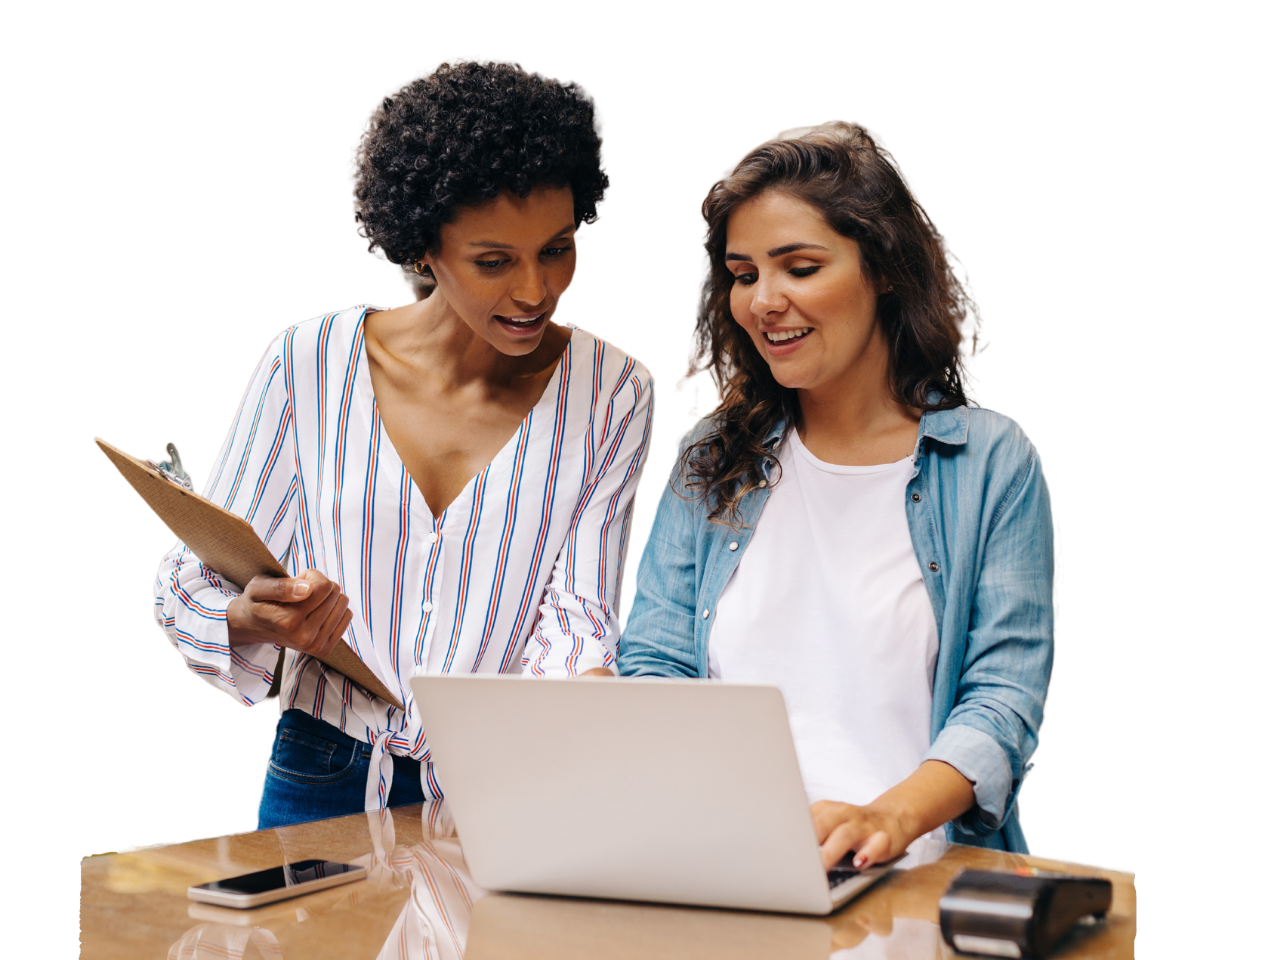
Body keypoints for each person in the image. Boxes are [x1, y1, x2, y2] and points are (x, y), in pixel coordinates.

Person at [151, 57, 655, 828]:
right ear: (424, 248)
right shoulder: (308, 362)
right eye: (493, 261)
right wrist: (259, 617)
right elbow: (199, 574)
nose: (534, 290)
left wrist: (589, 703)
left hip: (508, 784)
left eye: (558, 249)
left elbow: (579, 613)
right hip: (321, 769)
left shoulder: (615, 388)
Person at [618, 120, 1057, 869]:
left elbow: (1003, 699)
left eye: (800, 266)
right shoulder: (709, 455)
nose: (763, 300)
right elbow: (655, 663)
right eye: (745, 273)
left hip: (911, 875)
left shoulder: (991, 461)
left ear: (882, 267)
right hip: (727, 867)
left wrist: (887, 818)